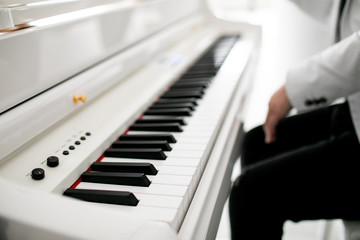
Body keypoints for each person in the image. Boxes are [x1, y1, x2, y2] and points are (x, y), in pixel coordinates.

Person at [229, 0, 360, 239]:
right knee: (258, 142)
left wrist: (291, 90)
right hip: (354, 114)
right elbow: (332, 7)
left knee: (250, 194)